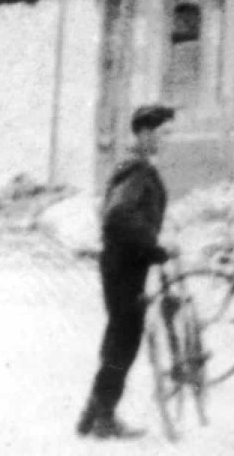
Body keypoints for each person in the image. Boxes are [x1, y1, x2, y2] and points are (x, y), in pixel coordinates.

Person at [76, 103, 175, 440]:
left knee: (119, 336)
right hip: (126, 265)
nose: (167, 140)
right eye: (163, 133)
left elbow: (124, 213)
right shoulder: (138, 171)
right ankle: (103, 417)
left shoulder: (132, 166)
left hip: (121, 263)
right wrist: (153, 247)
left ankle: (93, 412)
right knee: (125, 341)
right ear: (146, 133)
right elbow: (118, 214)